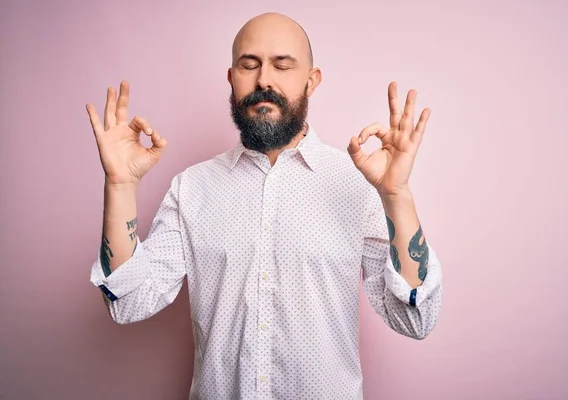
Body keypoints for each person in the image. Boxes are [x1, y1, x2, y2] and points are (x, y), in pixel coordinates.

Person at [85, 12, 443, 400]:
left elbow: (414, 317)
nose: (264, 80)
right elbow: (130, 303)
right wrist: (120, 186)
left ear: (312, 80)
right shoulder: (192, 188)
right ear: (232, 79)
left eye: (282, 65)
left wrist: (396, 195)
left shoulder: (356, 184)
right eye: (249, 65)